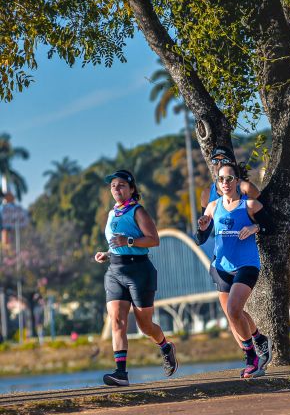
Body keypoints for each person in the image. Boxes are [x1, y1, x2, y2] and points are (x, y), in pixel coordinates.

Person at [95, 170, 178, 386]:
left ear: (131, 189)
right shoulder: (112, 213)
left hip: (139, 272)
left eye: (121, 185)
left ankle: (165, 347)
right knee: (117, 320)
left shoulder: (138, 211)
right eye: (113, 185)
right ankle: (121, 373)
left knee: (145, 326)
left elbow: (153, 240)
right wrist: (108, 253)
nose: (116, 189)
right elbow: (116, 242)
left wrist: (129, 241)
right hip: (115, 271)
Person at [196, 163, 273, 378]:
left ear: (237, 181)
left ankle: (252, 358)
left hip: (246, 265)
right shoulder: (212, 206)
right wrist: (202, 229)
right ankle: (258, 339)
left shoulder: (250, 205)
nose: (225, 183)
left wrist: (254, 227)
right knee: (234, 314)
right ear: (217, 184)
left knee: (233, 309)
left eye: (230, 178)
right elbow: (200, 238)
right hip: (221, 267)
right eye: (221, 179)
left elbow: (271, 226)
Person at [200, 145, 260, 214]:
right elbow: (206, 223)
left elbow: (265, 216)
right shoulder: (207, 194)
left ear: (232, 164)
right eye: (215, 161)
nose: (219, 165)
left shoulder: (246, 188)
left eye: (224, 161)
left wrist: (254, 225)